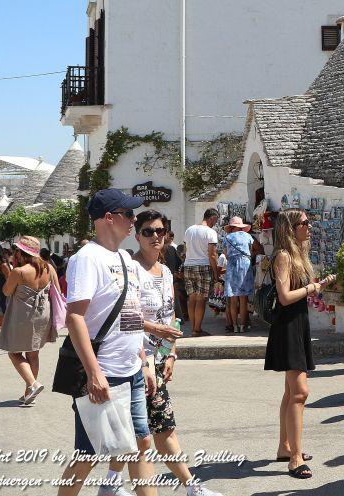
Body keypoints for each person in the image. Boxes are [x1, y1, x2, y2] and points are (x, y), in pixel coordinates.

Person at [102, 211, 219, 496]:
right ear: (137, 235)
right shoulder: (130, 269)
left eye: (161, 230)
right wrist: (146, 358)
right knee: (150, 432)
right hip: (135, 360)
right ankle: (191, 487)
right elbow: (124, 318)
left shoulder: (166, 272)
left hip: (157, 359)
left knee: (150, 429)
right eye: (148, 231)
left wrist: (171, 354)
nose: (156, 236)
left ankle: (111, 484)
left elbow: (172, 319)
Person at [56, 188, 158, 496]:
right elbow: (75, 317)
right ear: (109, 218)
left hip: (131, 371)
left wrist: (144, 360)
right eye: (129, 214)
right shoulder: (87, 258)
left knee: (141, 443)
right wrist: (94, 373)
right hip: (104, 373)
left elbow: (129, 313)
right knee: (88, 456)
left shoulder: (125, 258)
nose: (134, 220)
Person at [265, 209, 335, 479]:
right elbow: (284, 297)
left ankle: (285, 447)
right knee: (300, 393)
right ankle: (294, 458)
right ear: (291, 228)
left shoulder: (296, 256)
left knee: (290, 391)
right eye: (304, 223)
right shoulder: (283, 256)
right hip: (287, 327)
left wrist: (316, 284)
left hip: (297, 324)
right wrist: (313, 288)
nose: (309, 226)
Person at [0, 235, 58, 405]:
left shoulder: (19, 271)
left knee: (14, 353)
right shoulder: (47, 268)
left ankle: (32, 384)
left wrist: (11, 271)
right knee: (33, 354)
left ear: (21, 252)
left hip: (24, 316)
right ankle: (28, 393)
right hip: (42, 315)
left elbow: (6, 291)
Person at [182, 208, 220, 337]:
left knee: (191, 298)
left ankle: (194, 328)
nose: (215, 223)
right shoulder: (210, 232)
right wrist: (216, 274)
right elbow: (212, 255)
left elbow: (185, 250)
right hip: (203, 266)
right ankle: (197, 329)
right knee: (201, 300)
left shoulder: (189, 230)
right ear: (212, 218)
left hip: (188, 266)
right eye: (215, 220)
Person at [222, 217, 254, 333]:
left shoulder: (227, 237)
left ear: (231, 227)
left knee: (233, 299)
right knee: (243, 299)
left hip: (232, 266)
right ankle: (243, 325)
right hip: (245, 265)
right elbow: (250, 251)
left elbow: (225, 254)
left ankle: (235, 326)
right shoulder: (248, 236)